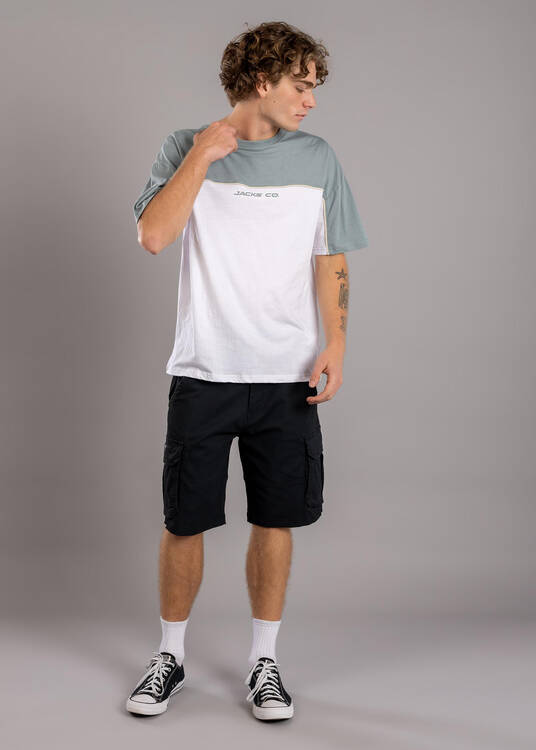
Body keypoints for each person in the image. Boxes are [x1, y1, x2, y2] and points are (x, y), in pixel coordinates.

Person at [126, 20, 368, 721]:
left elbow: (330, 257)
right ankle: (169, 657)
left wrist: (336, 343)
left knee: (276, 518)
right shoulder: (185, 146)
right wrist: (204, 153)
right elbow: (154, 235)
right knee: (185, 520)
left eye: (314, 87)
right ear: (262, 81)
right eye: (301, 85)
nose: (311, 100)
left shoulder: (318, 158)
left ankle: (265, 663)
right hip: (204, 371)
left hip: (287, 378)